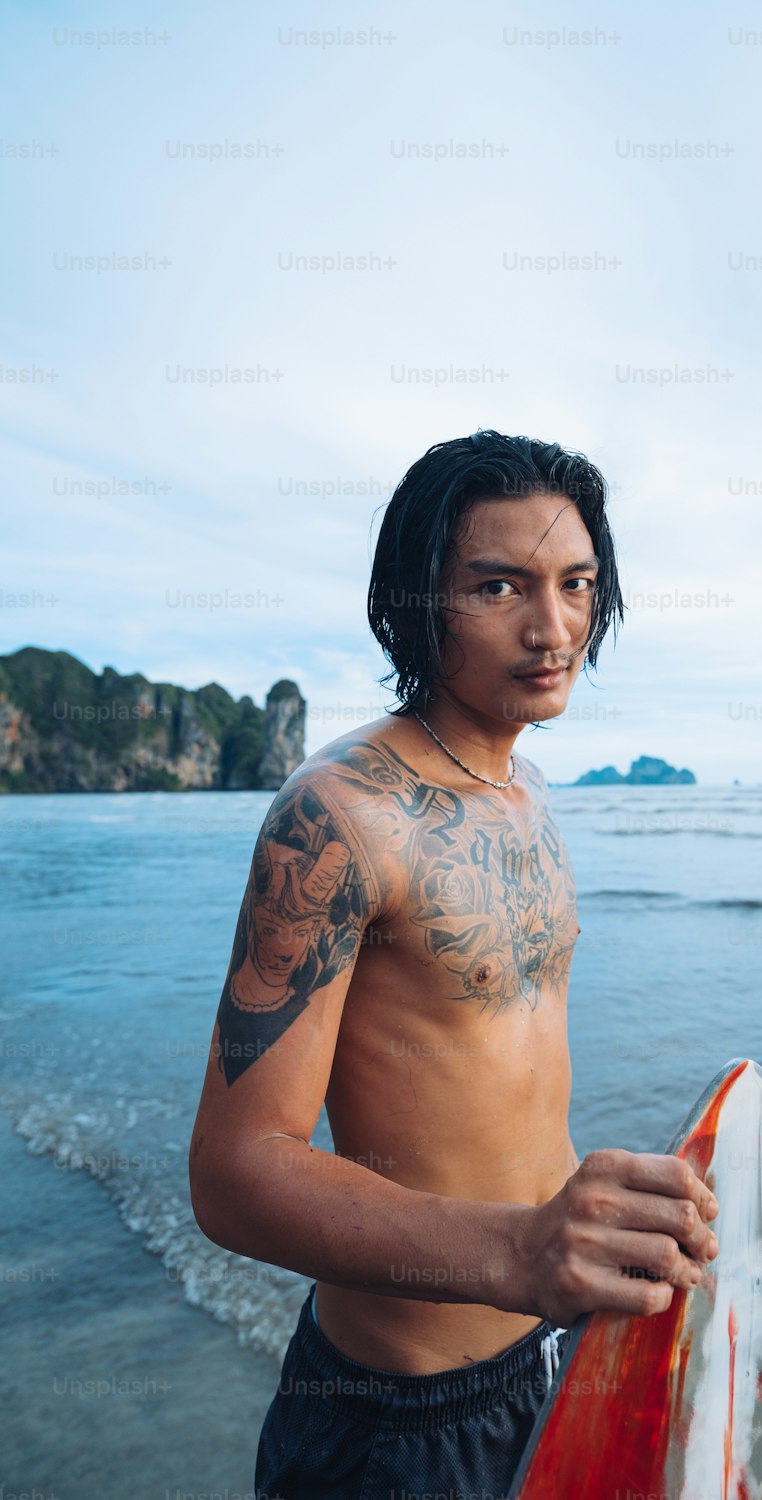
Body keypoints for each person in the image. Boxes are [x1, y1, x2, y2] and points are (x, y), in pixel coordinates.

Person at [188, 429, 719, 1499]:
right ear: (415, 603)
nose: (552, 626)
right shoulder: (338, 815)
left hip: (552, 1360)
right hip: (397, 1424)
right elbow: (236, 1172)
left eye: (576, 584)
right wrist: (523, 1249)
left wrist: (600, 1246)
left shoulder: (528, 799)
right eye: (499, 586)